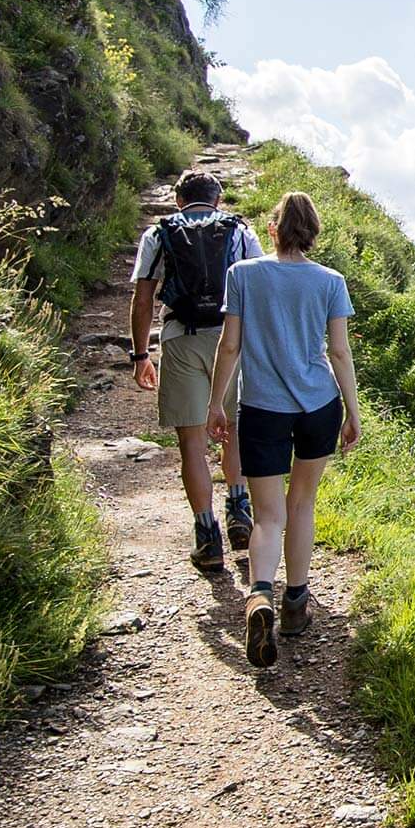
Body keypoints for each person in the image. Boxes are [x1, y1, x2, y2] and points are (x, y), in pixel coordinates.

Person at [205, 190, 362, 669]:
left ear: (272, 230)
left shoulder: (243, 276)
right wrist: (353, 410)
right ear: (313, 234)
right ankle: (296, 604)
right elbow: (338, 352)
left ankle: (259, 595)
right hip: (319, 405)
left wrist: (216, 403)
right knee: (303, 503)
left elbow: (230, 347)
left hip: (261, 408)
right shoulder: (330, 282)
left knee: (268, 514)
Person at [130, 169, 261, 572]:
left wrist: (140, 355)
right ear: (217, 199)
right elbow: (260, 286)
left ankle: (208, 537)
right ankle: (240, 509)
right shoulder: (239, 231)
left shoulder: (159, 234)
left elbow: (143, 298)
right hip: (232, 340)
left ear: (178, 200)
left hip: (181, 337)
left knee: (192, 442)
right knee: (234, 429)